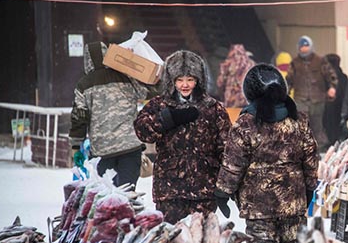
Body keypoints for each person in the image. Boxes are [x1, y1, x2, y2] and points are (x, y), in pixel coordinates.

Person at [215, 64, 318, 243]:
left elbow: (233, 163)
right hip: (293, 204)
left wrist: (223, 192)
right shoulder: (298, 120)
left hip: (258, 208)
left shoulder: (246, 124)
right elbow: (310, 158)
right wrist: (310, 187)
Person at [134, 50, 232, 224]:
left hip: (204, 190)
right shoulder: (159, 104)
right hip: (169, 190)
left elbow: (226, 149)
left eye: (190, 79)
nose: (185, 85)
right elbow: (142, 131)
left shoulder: (213, 108)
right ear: (171, 81)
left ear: (199, 80)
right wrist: (166, 120)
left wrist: (224, 188)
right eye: (179, 79)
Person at [69, 41, 152, 187]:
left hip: (103, 150)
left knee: (107, 195)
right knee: (127, 192)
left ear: (87, 60)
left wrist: (76, 146)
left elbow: (79, 118)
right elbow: (147, 92)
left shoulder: (83, 84)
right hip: (130, 147)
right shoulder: (126, 76)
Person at [286, 36, 338, 149]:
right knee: (302, 127)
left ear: (311, 47)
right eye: (302, 47)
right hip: (300, 99)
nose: (304, 49)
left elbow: (331, 76)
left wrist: (332, 87)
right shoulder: (294, 63)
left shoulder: (320, 61)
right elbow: (288, 80)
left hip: (317, 99)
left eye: (306, 46)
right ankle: (304, 152)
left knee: (317, 127)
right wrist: (284, 94)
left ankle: (317, 151)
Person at [323, 53, 348, 145]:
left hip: (328, 108)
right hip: (340, 108)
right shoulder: (344, 77)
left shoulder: (325, 77)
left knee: (328, 129)